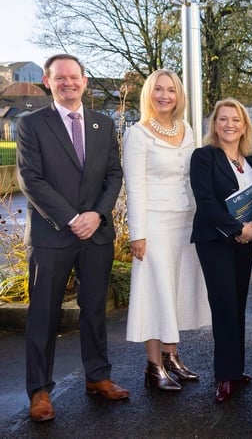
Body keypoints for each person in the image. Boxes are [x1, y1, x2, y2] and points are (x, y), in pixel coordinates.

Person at [16, 54, 128, 422]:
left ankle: (98, 376)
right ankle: (39, 390)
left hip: (96, 234)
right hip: (51, 236)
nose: (68, 83)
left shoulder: (102, 124)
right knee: (43, 314)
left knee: (94, 308)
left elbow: (114, 175)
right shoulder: (31, 125)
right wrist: (72, 218)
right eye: (60, 77)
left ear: (85, 81)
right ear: (47, 82)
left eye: (74, 77)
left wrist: (97, 214)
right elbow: (30, 180)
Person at [123, 69, 211, 392]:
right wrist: (137, 233)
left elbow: (192, 177)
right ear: (149, 93)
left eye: (171, 90)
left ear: (178, 96)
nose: (164, 95)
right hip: (154, 223)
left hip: (185, 221)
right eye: (158, 89)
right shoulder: (138, 134)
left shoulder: (186, 130)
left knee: (175, 289)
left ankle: (171, 357)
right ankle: (153, 366)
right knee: (155, 290)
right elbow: (134, 186)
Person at [190, 98, 252, 403]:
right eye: (223, 119)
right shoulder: (204, 156)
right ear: (214, 124)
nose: (229, 124)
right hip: (215, 241)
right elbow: (205, 202)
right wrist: (237, 229)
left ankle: (236, 369)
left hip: (245, 242)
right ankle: (224, 376)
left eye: (236, 119)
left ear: (244, 126)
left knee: (237, 304)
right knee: (223, 306)